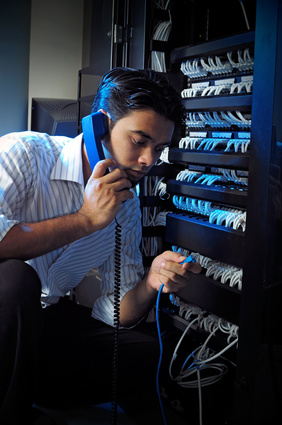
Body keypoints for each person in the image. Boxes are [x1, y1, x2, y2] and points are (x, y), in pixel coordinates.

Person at [0, 67, 201, 424]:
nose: (148, 161)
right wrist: (85, 220)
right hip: (7, 313)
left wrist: (151, 282)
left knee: (148, 354)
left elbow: (113, 308)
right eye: (139, 141)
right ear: (100, 125)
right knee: (16, 280)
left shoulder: (126, 201)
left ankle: (32, 397)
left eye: (158, 148)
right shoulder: (24, 153)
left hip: (46, 322)